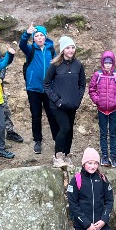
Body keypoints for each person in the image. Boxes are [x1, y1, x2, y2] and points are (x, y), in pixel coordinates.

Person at [43, 36, 86, 168]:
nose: (71, 50)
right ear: (62, 50)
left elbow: (82, 84)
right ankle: (58, 156)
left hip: (72, 105)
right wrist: (56, 100)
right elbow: (46, 84)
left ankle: (67, 155)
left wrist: (78, 99)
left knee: (70, 130)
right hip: (58, 105)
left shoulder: (78, 65)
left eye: (72, 47)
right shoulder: (55, 65)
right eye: (68, 48)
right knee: (65, 127)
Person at [19, 24, 58, 153]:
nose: (39, 38)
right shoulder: (30, 50)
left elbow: (57, 66)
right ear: (33, 38)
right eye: (36, 36)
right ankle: (37, 141)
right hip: (33, 89)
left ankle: (57, 139)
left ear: (46, 37)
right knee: (36, 116)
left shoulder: (51, 50)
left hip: (49, 89)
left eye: (42, 35)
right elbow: (21, 45)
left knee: (52, 115)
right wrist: (26, 33)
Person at [88, 50, 116, 167]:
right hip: (101, 109)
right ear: (102, 63)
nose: (108, 65)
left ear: (113, 63)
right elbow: (91, 89)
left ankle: (113, 157)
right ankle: (104, 156)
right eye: (106, 63)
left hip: (114, 109)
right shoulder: (98, 75)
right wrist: (97, 100)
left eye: (110, 63)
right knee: (103, 133)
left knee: (113, 133)